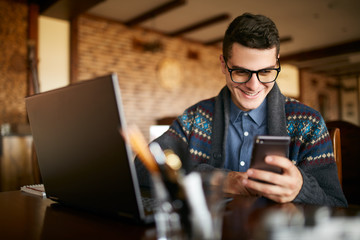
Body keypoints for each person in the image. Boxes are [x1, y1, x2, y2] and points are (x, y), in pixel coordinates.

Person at [135, 13, 347, 207]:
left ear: (276, 64)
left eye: (265, 72)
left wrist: (303, 189)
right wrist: (220, 180)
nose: (253, 85)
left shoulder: (308, 122)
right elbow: (142, 167)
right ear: (223, 65)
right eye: (241, 71)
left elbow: (337, 206)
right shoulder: (194, 119)